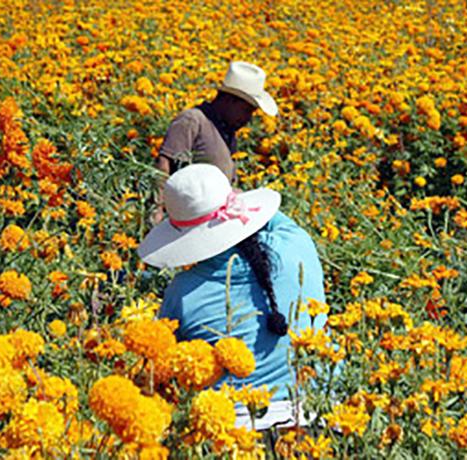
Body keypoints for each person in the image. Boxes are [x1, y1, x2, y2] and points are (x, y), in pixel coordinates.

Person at [137, 164, 326, 430]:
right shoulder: (297, 244)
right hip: (321, 421)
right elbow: (273, 216)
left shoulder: (182, 293)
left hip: (235, 435)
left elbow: (161, 369)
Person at [153, 61, 278, 223]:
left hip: (211, 221)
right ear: (230, 100)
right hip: (185, 219)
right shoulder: (193, 120)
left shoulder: (227, 130)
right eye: (247, 110)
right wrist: (157, 209)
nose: (248, 119)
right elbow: (163, 165)